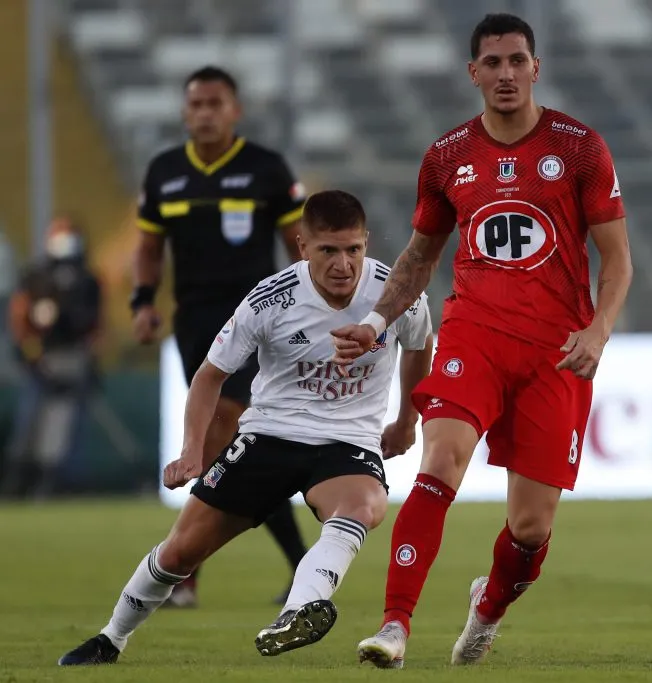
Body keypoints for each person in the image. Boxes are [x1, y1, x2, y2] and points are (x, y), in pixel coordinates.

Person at [332, 13, 633, 669]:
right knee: (439, 464)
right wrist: (377, 323)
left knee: (531, 529)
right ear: (473, 73)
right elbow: (417, 258)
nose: (505, 73)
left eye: (516, 60)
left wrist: (598, 330)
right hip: (475, 335)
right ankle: (394, 625)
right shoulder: (447, 156)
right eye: (492, 63)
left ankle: (488, 605)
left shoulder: (580, 149)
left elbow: (617, 261)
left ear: (535, 68)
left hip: (556, 352)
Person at [57, 190, 434, 666]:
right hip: (269, 436)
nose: (344, 264)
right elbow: (209, 376)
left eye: (353, 249)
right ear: (302, 247)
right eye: (328, 251)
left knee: (363, 505)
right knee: (179, 554)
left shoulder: (395, 293)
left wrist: (406, 420)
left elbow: (421, 346)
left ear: (366, 243)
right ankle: (110, 639)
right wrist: (193, 450)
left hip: (347, 440)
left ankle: (301, 609)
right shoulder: (269, 299)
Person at [131, 65, 310, 606]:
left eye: (215, 103)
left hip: (259, 317)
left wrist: (314, 303)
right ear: (185, 112)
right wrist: (142, 301)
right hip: (195, 320)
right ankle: (301, 564)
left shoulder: (266, 170)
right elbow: (148, 248)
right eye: (197, 104)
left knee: (227, 426)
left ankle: (182, 568)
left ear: (235, 110)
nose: (205, 113)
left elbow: (298, 243)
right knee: (235, 446)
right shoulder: (165, 173)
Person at [3, 217, 102, 498]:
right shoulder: (37, 275)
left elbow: (95, 325)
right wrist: (30, 352)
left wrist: (90, 358)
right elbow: (19, 315)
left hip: (71, 358)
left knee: (60, 429)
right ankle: (18, 481)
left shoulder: (87, 279)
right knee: (29, 425)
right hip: (41, 357)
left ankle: (49, 485)